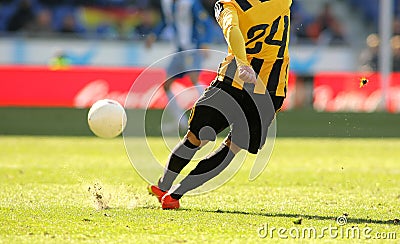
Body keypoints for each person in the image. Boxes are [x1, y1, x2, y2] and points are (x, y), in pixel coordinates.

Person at [149, 0, 291, 209]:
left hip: (233, 79)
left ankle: (166, 186)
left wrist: (243, 63)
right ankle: (174, 193)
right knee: (232, 147)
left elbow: (232, 28)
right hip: (270, 88)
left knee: (196, 137)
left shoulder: (227, 5)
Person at [145, 0, 214, 130]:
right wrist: (154, 35)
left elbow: (207, 23)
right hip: (179, 50)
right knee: (166, 85)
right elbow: (167, 21)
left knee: (194, 79)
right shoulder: (167, 3)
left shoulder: (190, 3)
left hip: (193, 48)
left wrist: (205, 42)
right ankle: (181, 122)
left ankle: (212, 115)